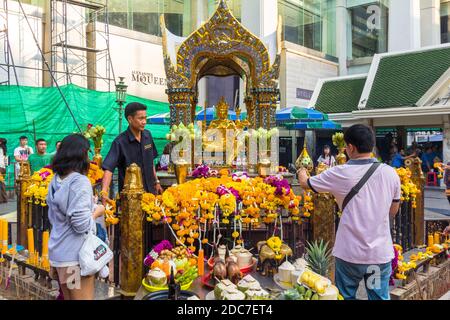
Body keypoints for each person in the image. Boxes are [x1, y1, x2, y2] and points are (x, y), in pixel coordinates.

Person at [297, 124, 401, 300]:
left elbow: (306, 184)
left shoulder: (340, 172)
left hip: (349, 255)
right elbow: (394, 210)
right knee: (377, 297)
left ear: (351, 148)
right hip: (377, 256)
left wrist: (301, 170)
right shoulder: (390, 173)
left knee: (345, 296)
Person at [47, 134, 105, 300]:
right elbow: (80, 225)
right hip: (74, 258)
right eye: (87, 153)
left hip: (60, 253)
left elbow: (60, 212)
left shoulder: (56, 180)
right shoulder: (79, 182)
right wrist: (97, 211)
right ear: (80, 155)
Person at [101, 102, 163, 202]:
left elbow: (150, 162)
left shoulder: (147, 135)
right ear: (130, 119)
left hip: (150, 194)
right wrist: (104, 192)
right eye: (140, 118)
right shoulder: (120, 142)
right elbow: (108, 169)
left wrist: (156, 181)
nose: (144, 122)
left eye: (145, 118)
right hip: (130, 199)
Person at [0, 138, 8, 203]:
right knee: (2, 183)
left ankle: (1, 199)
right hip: (3, 168)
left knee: (1, 183)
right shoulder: (4, 149)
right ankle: (4, 198)